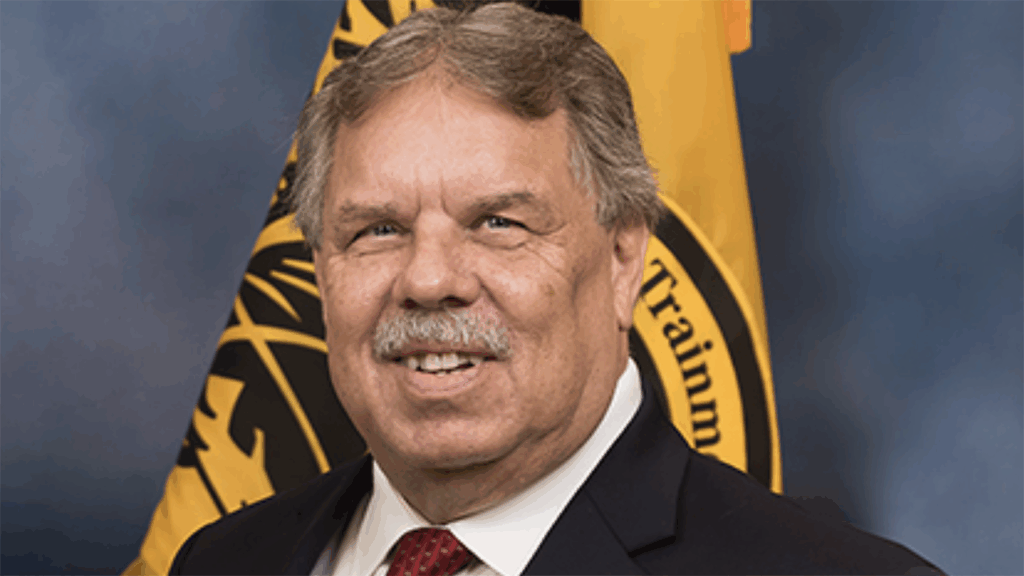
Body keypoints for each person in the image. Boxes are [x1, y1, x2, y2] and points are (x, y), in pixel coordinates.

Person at [169, 3, 942, 575]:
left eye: (497, 222)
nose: (429, 279)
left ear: (624, 258)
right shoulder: (223, 562)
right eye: (377, 229)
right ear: (320, 268)